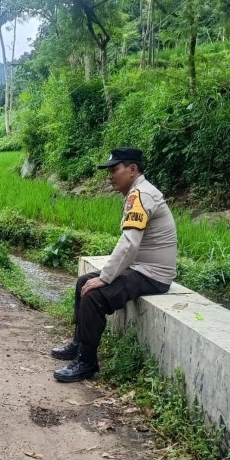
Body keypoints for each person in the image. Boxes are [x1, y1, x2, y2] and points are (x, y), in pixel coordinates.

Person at [51, 147, 178, 382]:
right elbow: (129, 246)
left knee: (94, 294)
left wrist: (105, 277)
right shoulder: (139, 192)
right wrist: (104, 276)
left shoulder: (140, 195)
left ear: (132, 169)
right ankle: (79, 344)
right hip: (140, 268)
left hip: (153, 275)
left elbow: (129, 244)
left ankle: (86, 362)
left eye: (114, 169)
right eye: (108, 170)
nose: (110, 175)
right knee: (83, 282)